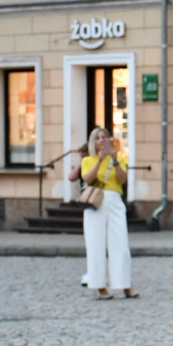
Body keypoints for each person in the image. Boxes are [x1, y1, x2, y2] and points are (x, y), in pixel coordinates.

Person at [71, 127, 138, 300]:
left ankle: (124, 285)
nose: (102, 141)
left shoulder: (119, 158)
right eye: (98, 138)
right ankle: (99, 286)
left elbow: (122, 180)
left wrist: (114, 161)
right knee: (95, 244)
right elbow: (87, 179)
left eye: (104, 138)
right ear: (93, 142)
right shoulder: (88, 160)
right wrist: (100, 162)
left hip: (114, 200)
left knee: (121, 244)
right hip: (96, 202)